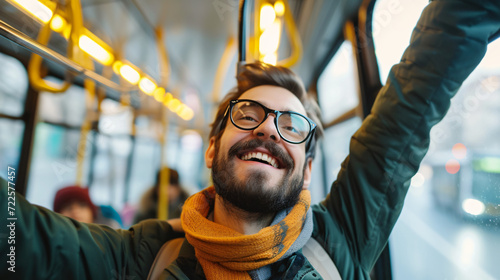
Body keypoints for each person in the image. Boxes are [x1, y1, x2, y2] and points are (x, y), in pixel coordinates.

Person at [1, 1, 499, 279]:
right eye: (249, 114)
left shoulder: (340, 239)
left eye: (292, 125)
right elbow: (19, 237)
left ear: (306, 169)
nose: (268, 128)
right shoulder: (142, 257)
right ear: (213, 146)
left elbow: (418, 92)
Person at [53, 185, 123, 229]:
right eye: (68, 208)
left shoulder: (111, 238)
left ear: (92, 212)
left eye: (82, 206)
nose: (75, 211)